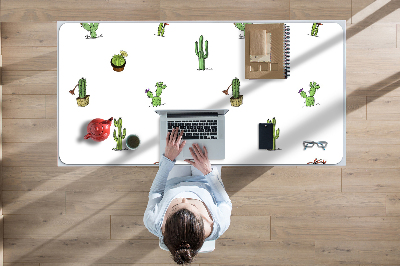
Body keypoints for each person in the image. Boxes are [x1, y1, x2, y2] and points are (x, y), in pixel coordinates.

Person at [143, 127, 232, 264]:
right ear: (203, 223)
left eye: (176, 206)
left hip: (173, 181)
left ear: (166, 224)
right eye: (192, 205)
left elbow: (156, 192)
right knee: (209, 138)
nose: (184, 198)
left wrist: (167, 160)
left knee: (174, 142)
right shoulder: (219, 224)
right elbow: (224, 202)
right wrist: (208, 171)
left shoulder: (153, 222)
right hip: (205, 180)